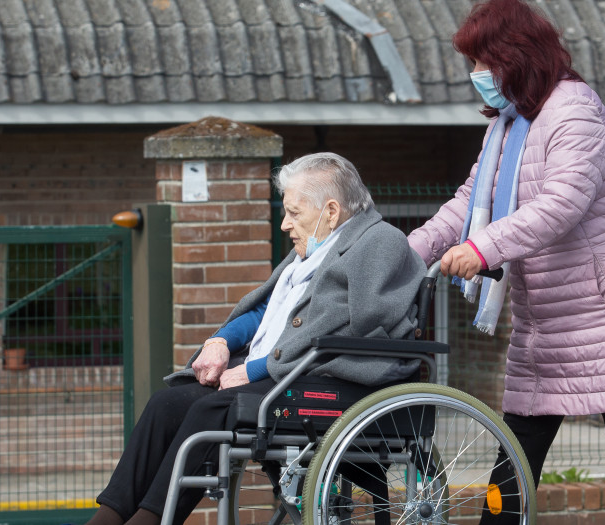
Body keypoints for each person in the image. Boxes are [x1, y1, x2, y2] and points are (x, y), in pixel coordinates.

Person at [405, 1, 605, 523]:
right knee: (517, 448)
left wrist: (480, 248)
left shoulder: (574, 110)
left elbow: (561, 205)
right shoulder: (507, 126)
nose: (474, 76)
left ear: (514, 55)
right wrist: (404, 256)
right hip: (548, 320)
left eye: (480, 62)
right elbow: (470, 201)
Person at [84, 153, 425, 525]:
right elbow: (268, 311)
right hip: (290, 374)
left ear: (331, 210)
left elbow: (358, 329)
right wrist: (222, 341)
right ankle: (109, 516)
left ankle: (149, 520)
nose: (284, 224)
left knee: (209, 411)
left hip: (339, 382)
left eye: (294, 213)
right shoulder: (313, 251)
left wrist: (258, 368)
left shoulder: (380, 242)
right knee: (167, 403)